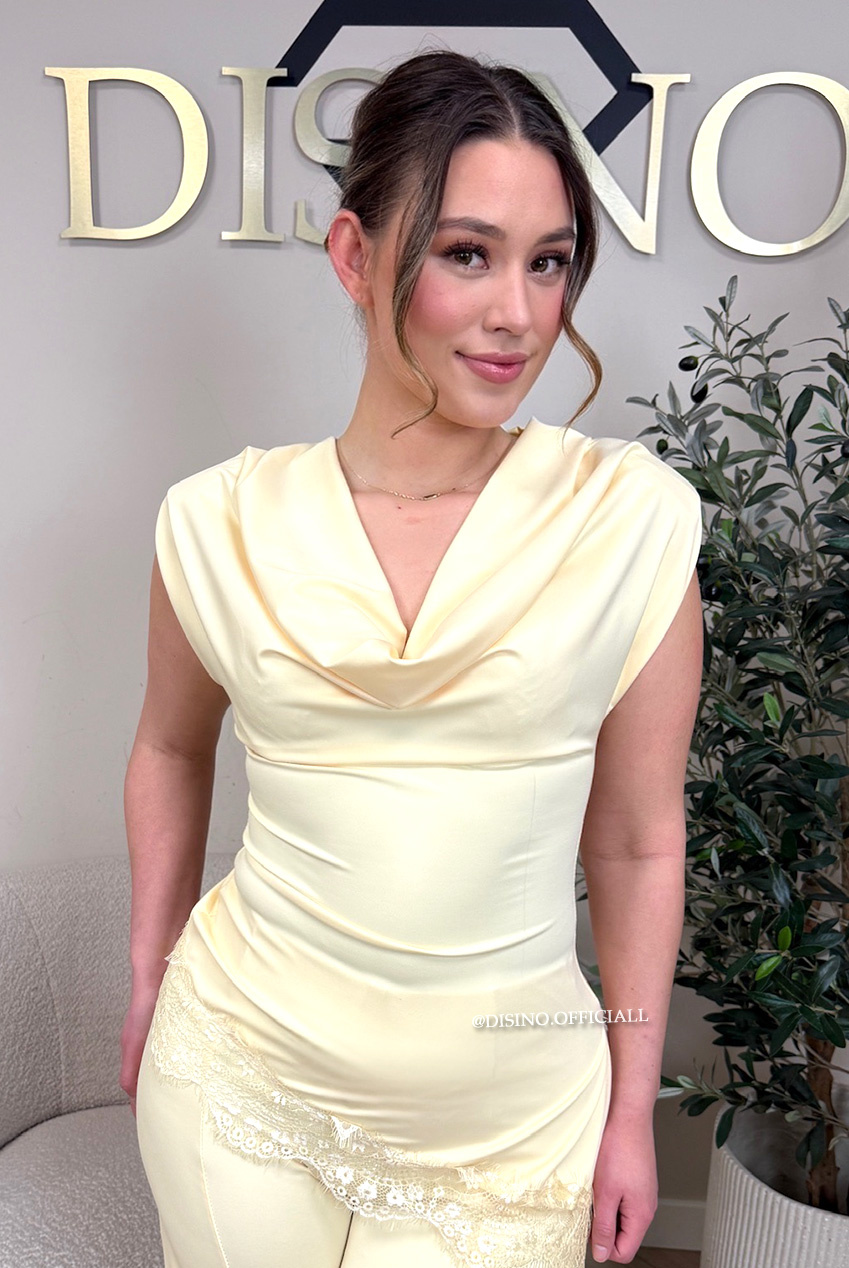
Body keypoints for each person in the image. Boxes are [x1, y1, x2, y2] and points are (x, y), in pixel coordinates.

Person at [121, 47, 704, 1268]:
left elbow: (640, 837)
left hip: (512, 1127)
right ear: (355, 255)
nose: (519, 314)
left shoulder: (627, 522)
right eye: (467, 254)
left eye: (549, 262)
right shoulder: (216, 522)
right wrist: (146, 967)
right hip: (240, 1072)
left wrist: (630, 1109)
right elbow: (169, 746)